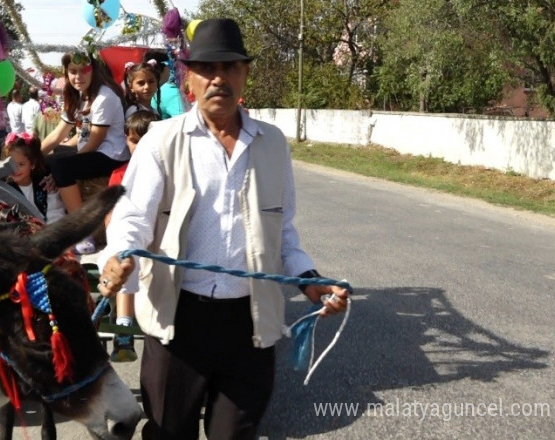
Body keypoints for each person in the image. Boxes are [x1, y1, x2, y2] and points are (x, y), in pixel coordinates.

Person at [96, 19, 351, 439]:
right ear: (188, 79)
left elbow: (282, 233)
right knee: (168, 432)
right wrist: (120, 256)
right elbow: (132, 218)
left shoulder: (271, 143)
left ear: (245, 74)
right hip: (178, 320)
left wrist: (311, 283)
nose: (219, 78)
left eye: (231, 67)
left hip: (250, 325)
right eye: (207, 69)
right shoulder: (162, 139)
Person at [41, 51, 129, 253]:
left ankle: (82, 231)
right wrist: (33, 156)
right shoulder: (79, 96)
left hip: (111, 156)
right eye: (72, 72)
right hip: (92, 151)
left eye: (83, 71)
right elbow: (57, 135)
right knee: (46, 162)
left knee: (61, 166)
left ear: (94, 71)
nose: (78, 77)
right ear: (66, 73)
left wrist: (61, 167)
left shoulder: (104, 96)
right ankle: (49, 217)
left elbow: (95, 141)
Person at [106, 109, 157, 363]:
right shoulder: (120, 174)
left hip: (156, 239)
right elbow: (110, 216)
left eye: (145, 140)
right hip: (125, 238)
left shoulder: (165, 172)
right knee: (126, 256)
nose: (139, 147)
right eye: (134, 140)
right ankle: (124, 329)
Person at [4, 131, 65, 224]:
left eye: (21, 164)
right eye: (11, 164)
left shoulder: (44, 183)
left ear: (32, 164)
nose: (15, 170)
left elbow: (55, 211)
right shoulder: (4, 188)